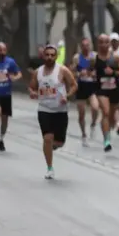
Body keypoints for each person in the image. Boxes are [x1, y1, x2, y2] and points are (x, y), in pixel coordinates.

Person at [29, 45, 78, 179]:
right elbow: (32, 87)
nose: (50, 57)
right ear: (43, 56)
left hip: (60, 110)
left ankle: (52, 147)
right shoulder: (38, 72)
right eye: (47, 55)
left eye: (52, 55)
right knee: (47, 138)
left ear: (56, 57)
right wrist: (33, 93)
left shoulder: (62, 70)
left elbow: (74, 85)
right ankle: (50, 168)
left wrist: (67, 96)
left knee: (59, 142)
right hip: (44, 109)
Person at [92, 34, 119, 152]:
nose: (104, 45)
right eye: (101, 42)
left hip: (114, 89)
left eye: (106, 42)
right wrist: (90, 74)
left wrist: (113, 72)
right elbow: (87, 70)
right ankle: (106, 140)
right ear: (98, 44)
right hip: (101, 90)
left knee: (111, 115)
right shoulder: (94, 58)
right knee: (106, 112)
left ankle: (108, 127)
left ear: (109, 44)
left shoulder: (116, 58)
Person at [71, 37, 99, 146]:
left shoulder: (94, 57)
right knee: (81, 114)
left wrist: (95, 74)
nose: (85, 47)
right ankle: (83, 135)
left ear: (90, 46)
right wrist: (78, 74)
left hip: (91, 86)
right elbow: (71, 72)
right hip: (81, 87)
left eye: (87, 45)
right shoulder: (77, 58)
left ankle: (93, 124)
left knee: (95, 107)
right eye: (83, 45)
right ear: (81, 47)